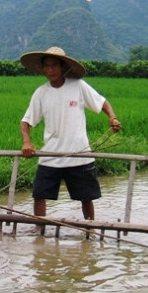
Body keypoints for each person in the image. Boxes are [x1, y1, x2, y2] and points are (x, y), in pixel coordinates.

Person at [19, 46, 121, 231]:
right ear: (42, 69)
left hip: (79, 154)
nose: (50, 70)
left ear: (63, 67)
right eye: (47, 66)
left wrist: (112, 117)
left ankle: (89, 229)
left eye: (54, 66)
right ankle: (39, 231)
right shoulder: (41, 93)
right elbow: (26, 121)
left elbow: (102, 102)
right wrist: (27, 141)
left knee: (86, 197)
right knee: (39, 195)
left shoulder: (78, 86)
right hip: (51, 155)